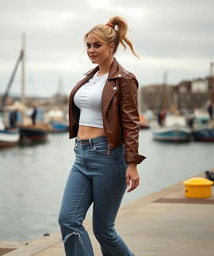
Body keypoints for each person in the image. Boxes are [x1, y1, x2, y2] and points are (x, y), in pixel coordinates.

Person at [58, 16, 146, 256]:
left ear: (111, 47)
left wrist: (132, 163)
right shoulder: (89, 78)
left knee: (103, 230)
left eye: (96, 45)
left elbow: (131, 123)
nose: (91, 50)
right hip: (81, 155)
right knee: (68, 219)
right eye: (88, 45)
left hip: (109, 157)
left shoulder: (124, 80)